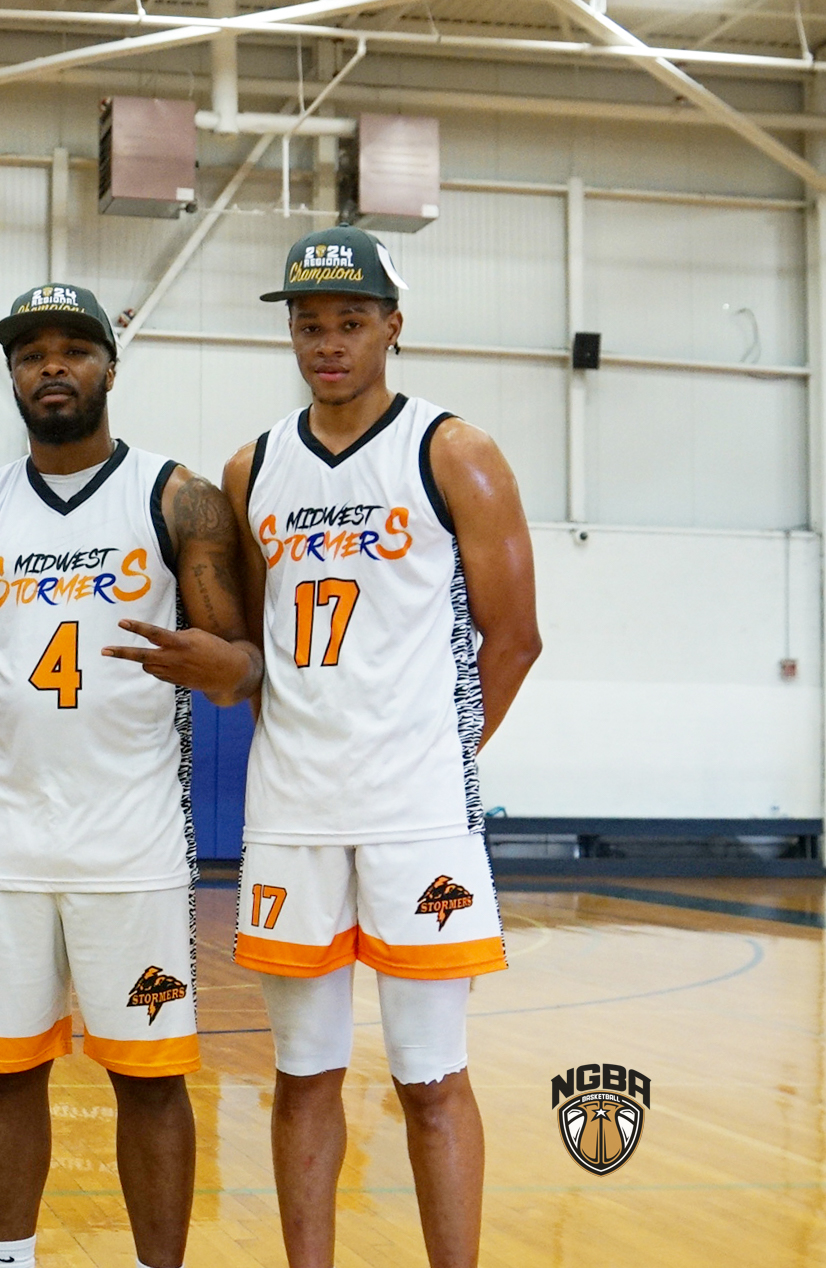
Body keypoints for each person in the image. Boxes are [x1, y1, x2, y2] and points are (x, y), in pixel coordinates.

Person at [0, 284, 264, 1268]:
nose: (51, 367)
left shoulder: (176, 498)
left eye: (71, 350)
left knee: (149, 1076)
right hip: (4, 838)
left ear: (107, 368)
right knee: (5, 1074)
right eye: (30, 353)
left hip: (131, 841)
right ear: (11, 373)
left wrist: (211, 660)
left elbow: (240, 669)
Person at [222, 227, 539, 1268]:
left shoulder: (450, 450)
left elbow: (513, 636)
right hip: (291, 812)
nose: (326, 343)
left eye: (348, 322)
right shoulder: (250, 468)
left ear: (389, 327)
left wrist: (431, 756)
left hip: (414, 815)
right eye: (308, 324)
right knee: (302, 1069)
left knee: (428, 1073)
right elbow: (253, 648)